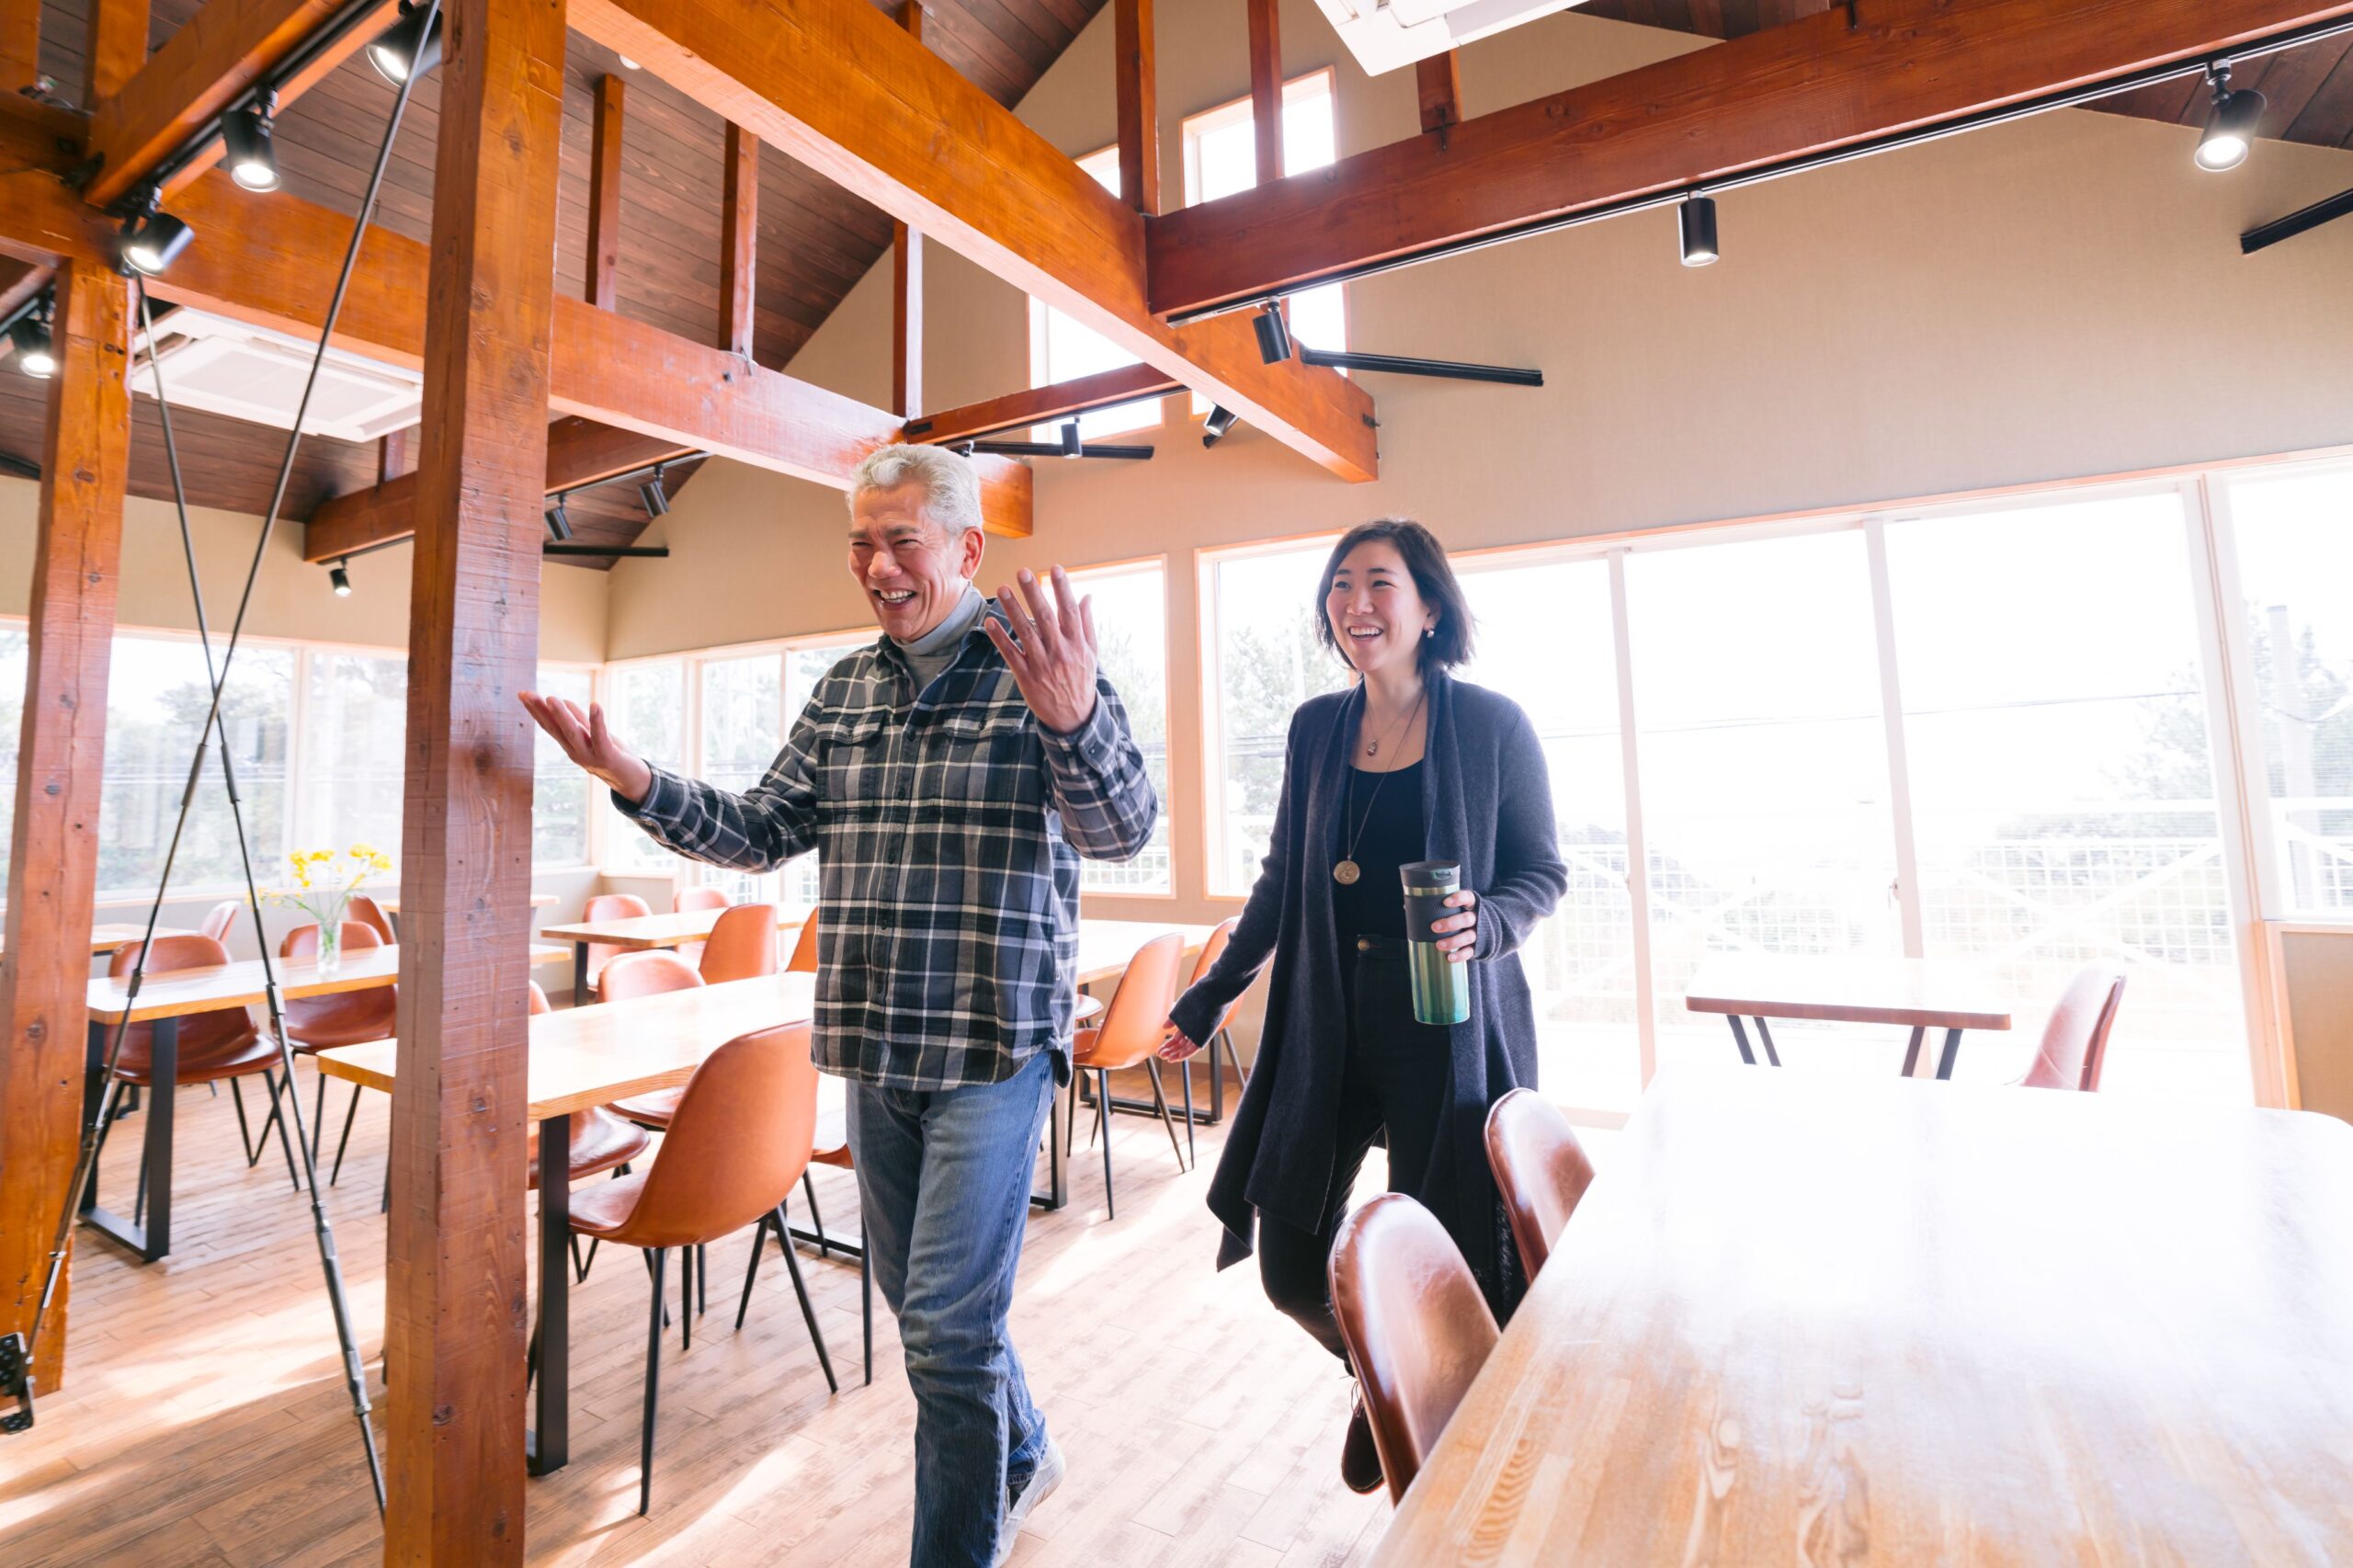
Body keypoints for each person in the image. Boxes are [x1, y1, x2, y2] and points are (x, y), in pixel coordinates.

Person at [520, 444, 1158, 1568]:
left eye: (902, 540)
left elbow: (1120, 831)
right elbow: (761, 829)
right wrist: (632, 778)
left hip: (989, 1051)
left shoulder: (1043, 672)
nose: (877, 565)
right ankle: (1023, 1448)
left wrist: (1071, 722)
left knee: (946, 1333)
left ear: (966, 546)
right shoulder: (846, 689)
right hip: (872, 1044)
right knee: (930, 1313)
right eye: (862, 543)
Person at [1159, 517, 1566, 1495]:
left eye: (1380, 582)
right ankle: (1391, 1382)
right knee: (1291, 1266)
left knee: (1448, 1252)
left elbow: (1541, 873)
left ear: (1429, 608)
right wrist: (1210, 994)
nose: (1355, 602)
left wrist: (1488, 921)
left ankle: (1459, 1447)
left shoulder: (1493, 726)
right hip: (1329, 1019)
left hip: (1444, 1022)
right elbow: (1281, 881)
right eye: (1341, 584)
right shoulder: (1315, 729)